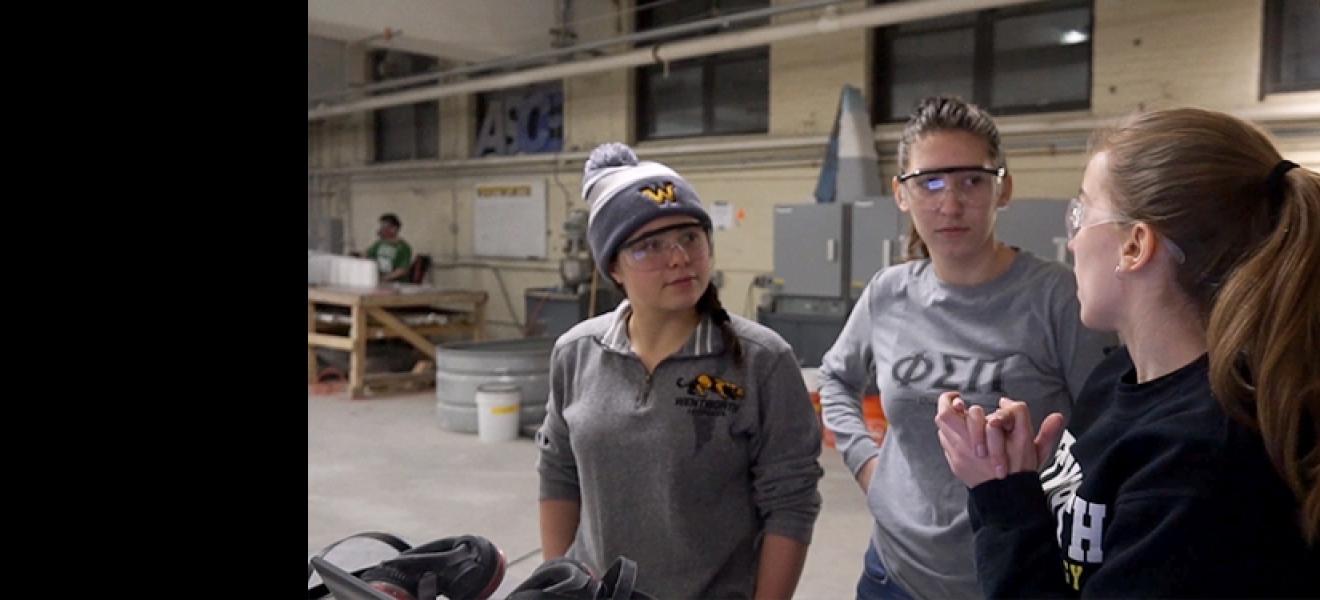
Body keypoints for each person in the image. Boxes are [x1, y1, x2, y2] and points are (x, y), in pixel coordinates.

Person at [936, 107, 1320, 597]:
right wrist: (1013, 476)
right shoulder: (1119, 377)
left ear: (1135, 245)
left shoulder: (1201, 462)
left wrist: (1002, 501)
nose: (1072, 242)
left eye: (1082, 213)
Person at [818, 95, 1114, 599]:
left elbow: (1106, 431)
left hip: (1007, 576)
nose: (950, 204)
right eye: (929, 183)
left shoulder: (1058, 297)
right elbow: (836, 378)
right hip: (893, 573)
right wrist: (868, 466)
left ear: (1004, 189)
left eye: (971, 181)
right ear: (900, 194)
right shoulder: (888, 292)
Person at [535, 142, 824, 599]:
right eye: (649, 246)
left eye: (689, 237)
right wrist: (559, 585)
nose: (678, 258)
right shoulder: (576, 353)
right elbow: (558, 473)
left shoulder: (761, 361)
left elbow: (790, 503)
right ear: (613, 265)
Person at [366, 213, 412, 282]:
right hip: (380, 283)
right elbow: (367, 256)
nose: (381, 229)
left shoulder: (404, 247)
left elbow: (402, 270)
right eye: (381, 226)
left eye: (384, 226)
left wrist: (384, 278)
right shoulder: (379, 244)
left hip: (396, 285)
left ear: (394, 229)